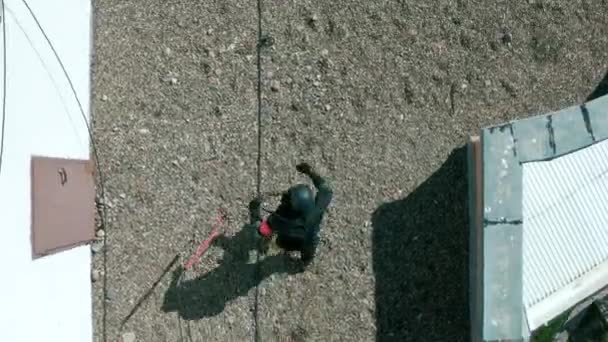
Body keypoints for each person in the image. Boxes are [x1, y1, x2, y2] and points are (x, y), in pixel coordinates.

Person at [249, 162, 333, 264]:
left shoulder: (281, 219)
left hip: (286, 241)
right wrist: (311, 173)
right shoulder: (317, 207)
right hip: (309, 241)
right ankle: (305, 261)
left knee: (273, 239)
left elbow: (262, 230)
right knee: (309, 251)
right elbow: (326, 189)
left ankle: (270, 247)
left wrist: (254, 209)